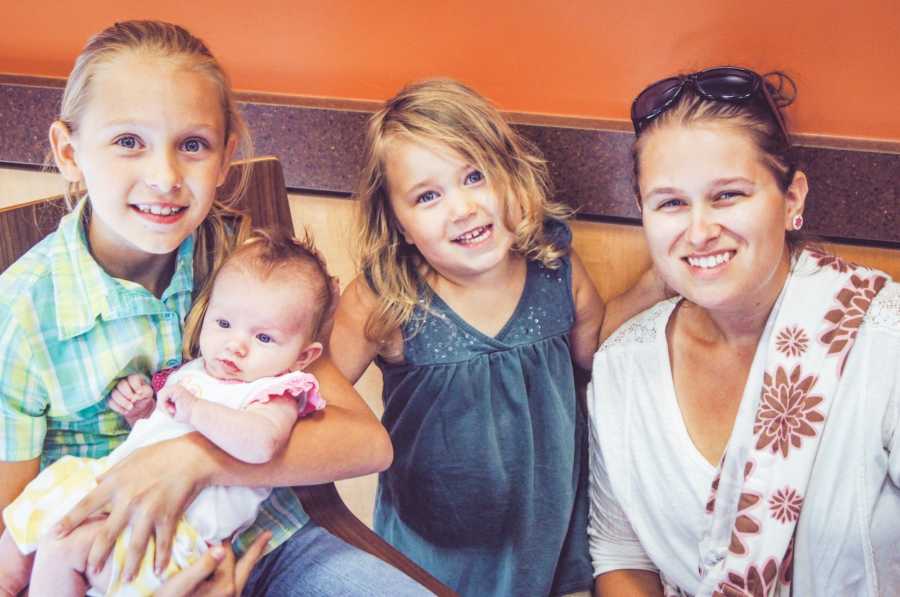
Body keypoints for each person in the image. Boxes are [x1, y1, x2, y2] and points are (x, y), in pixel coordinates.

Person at [0, 20, 428, 597]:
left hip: (267, 542)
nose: (164, 177)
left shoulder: (241, 260)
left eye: (192, 145)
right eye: (128, 141)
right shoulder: (22, 314)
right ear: (69, 152)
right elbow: (11, 547)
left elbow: (365, 443)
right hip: (102, 568)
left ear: (225, 158)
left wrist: (194, 460)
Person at [331, 78, 666, 596]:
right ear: (398, 222)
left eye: (474, 175)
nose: (462, 207)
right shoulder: (383, 300)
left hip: (549, 540)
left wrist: (654, 281)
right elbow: (319, 392)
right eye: (428, 195)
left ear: (511, 175)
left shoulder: (555, 267)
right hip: (431, 555)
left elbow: (592, 347)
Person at [587, 66, 899, 596]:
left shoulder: (882, 340)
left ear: (792, 199)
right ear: (642, 213)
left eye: (728, 195)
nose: (700, 231)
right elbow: (622, 553)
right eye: (671, 203)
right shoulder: (623, 367)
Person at [1, 229, 331, 595]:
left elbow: (262, 444)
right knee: (31, 517)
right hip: (117, 487)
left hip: (174, 527)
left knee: (67, 550)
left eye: (264, 338)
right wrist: (141, 412)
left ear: (303, 357)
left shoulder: (274, 392)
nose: (235, 345)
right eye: (223, 324)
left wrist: (195, 409)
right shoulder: (199, 370)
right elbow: (157, 428)